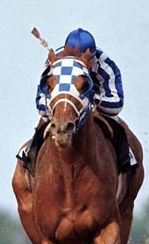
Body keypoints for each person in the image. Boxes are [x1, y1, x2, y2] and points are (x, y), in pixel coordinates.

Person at [18, 28, 136, 176]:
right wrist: (57, 105)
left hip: (96, 106)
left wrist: (88, 99)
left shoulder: (106, 66)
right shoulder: (53, 62)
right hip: (62, 104)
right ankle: (31, 153)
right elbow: (41, 101)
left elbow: (116, 103)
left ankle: (126, 159)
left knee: (116, 123)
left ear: (92, 58)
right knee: (44, 119)